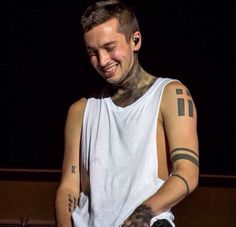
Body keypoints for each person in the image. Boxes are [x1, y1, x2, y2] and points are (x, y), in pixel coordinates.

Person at [55, 0, 199, 226]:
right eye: (93, 52)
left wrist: (142, 213)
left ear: (136, 40)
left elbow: (187, 173)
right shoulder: (81, 111)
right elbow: (69, 187)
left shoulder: (171, 94)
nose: (102, 61)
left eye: (110, 48)